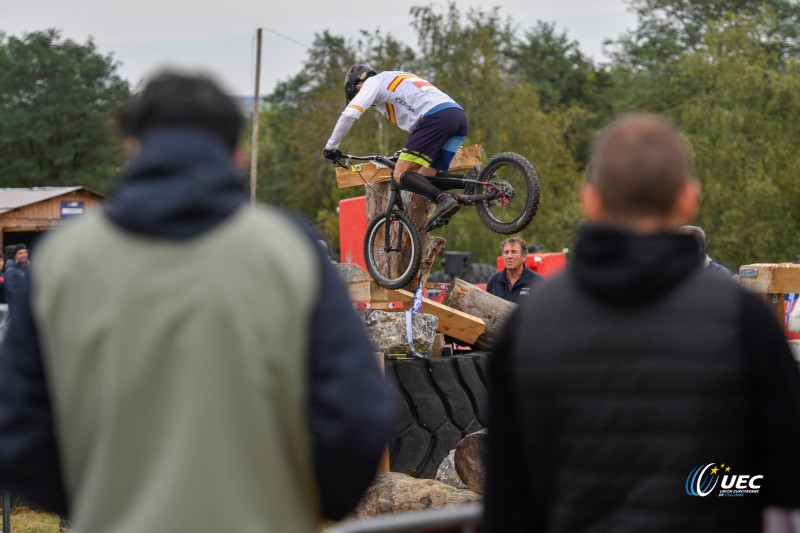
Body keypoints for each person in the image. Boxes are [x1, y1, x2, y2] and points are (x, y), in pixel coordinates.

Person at [0, 70, 393, 533]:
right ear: (236, 152)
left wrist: (94, 499)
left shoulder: (63, 262)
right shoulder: (287, 252)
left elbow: (15, 426)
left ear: (131, 147)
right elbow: (361, 415)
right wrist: (302, 500)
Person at [484, 114, 800, 532]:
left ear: (590, 201)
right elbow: (784, 483)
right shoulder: (743, 320)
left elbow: (507, 503)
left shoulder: (529, 327)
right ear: (688, 199)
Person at [323, 66, 468, 232]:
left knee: (399, 174)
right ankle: (472, 181)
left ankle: (443, 200)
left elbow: (349, 115)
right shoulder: (395, 77)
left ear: (358, 88)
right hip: (457, 116)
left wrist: (331, 147)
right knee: (423, 178)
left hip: (437, 117)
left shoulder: (372, 83)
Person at [486, 237, 544, 303]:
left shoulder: (537, 281)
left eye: (514, 252)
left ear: (524, 256)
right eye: (506, 252)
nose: (509, 256)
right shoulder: (493, 281)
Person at [4, 243, 30, 312]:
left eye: (25, 252)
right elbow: (11, 292)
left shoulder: (29, 268)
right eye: (20, 253)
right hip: (17, 312)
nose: (24, 255)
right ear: (15, 255)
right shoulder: (10, 271)